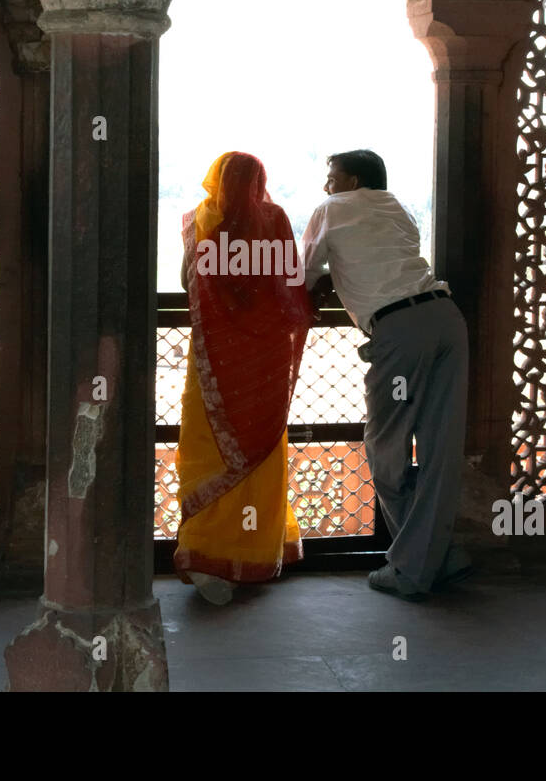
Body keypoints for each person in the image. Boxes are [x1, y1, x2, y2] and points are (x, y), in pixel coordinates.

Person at [301, 149, 471, 601]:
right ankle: (439, 553)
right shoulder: (398, 208)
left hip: (398, 330)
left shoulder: (332, 210)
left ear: (352, 180)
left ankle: (411, 569)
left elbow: (303, 271)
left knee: (385, 445)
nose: (327, 187)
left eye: (332, 177)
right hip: (446, 318)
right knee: (440, 447)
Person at [175, 152, 313, 605]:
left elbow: (186, 281)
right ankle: (251, 552)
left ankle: (206, 553)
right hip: (264, 363)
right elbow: (289, 283)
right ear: (260, 183)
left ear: (214, 180)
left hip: (213, 361)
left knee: (210, 448)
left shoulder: (197, 220)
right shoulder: (273, 218)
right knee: (259, 447)